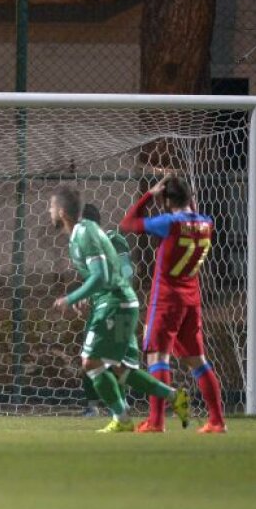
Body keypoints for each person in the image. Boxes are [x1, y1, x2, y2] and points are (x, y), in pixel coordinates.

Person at [48, 184, 188, 433]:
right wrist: (88, 294)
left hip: (114, 304)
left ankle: (122, 418)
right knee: (120, 367)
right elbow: (100, 276)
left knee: (90, 362)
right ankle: (173, 396)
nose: (48, 211)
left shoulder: (84, 233)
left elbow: (102, 276)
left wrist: (71, 298)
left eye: (51, 207)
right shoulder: (82, 233)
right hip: (117, 302)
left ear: (61, 212)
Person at [120, 174, 226, 434]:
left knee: (157, 356)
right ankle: (217, 421)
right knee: (197, 361)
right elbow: (192, 217)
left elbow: (128, 223)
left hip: (167, 298)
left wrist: (148, 195)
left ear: (167, 201)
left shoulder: (168, 222)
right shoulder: (206, 222)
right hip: (192, 298)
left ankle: (156, 421)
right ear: (190, 198)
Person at [73, 203, 134, 417]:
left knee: (117, 358)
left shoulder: (114, 240)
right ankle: (92, 406)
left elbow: (126, 271)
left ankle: (121, 403)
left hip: (118, 306)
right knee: (90, 356)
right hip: (99, 309)